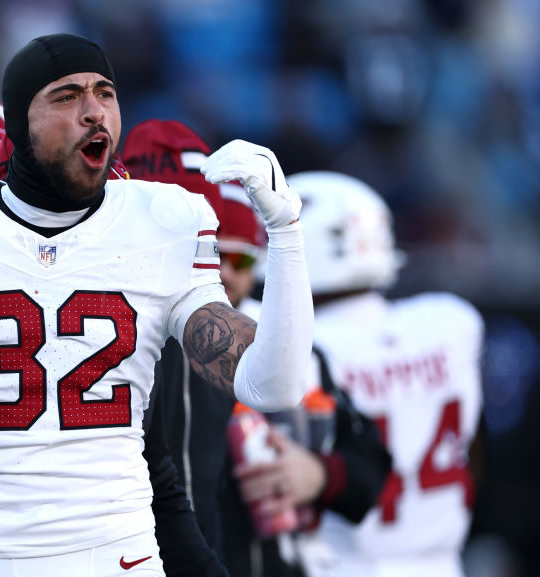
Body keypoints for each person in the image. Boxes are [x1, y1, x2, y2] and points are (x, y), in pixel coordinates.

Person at [0, 33, 313, 577]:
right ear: (19, 124)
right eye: (66, 96)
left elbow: (272, 386)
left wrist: (286, 234)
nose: (93, 111)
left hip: (122, 560)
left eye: (105, 93)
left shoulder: (162, 220)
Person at [126, 120, 391, 577]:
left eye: (241, 258)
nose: (224, 271)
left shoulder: (290, 345)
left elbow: (371, 467)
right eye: (210, 252)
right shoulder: (115, 332)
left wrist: (320, 474)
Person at [288, 171, 483, 577]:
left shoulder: (304, 349)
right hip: (443, 564)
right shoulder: (452, 323)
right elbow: (472, 445)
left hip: (342, 564)